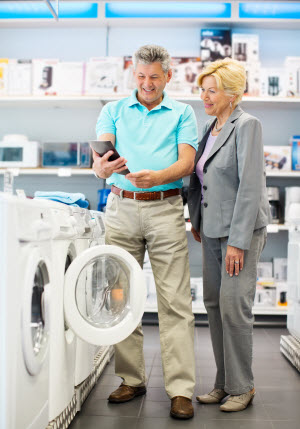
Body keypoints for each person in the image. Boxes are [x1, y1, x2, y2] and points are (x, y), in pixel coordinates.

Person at [93, 44, 198, 420]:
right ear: (132, 75)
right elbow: (100, 161)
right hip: (121, 208)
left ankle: (181, 390)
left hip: (166, 209)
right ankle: (131, 378)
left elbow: (186, 162)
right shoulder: (114, 110)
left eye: (154, 76)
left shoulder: (183, 113)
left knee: (175, 301)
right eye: (140, 76)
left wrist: (158, 176)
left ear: (168, 76)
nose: (147, 83)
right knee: (120, 296)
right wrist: (102, 170)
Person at [188, 58, 271, 412]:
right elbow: (201, 178)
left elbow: (250, 188)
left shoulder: (247, 125)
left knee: (234, 306)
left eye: (212, 90)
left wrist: (237, 241)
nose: (204, 96)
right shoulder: (211, 128)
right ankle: (223, 383)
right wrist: (196, 220)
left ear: (233, 94)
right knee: (213, 304)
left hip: (240, 232)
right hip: (211, 229)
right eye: (202, 89)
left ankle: (243, 386)